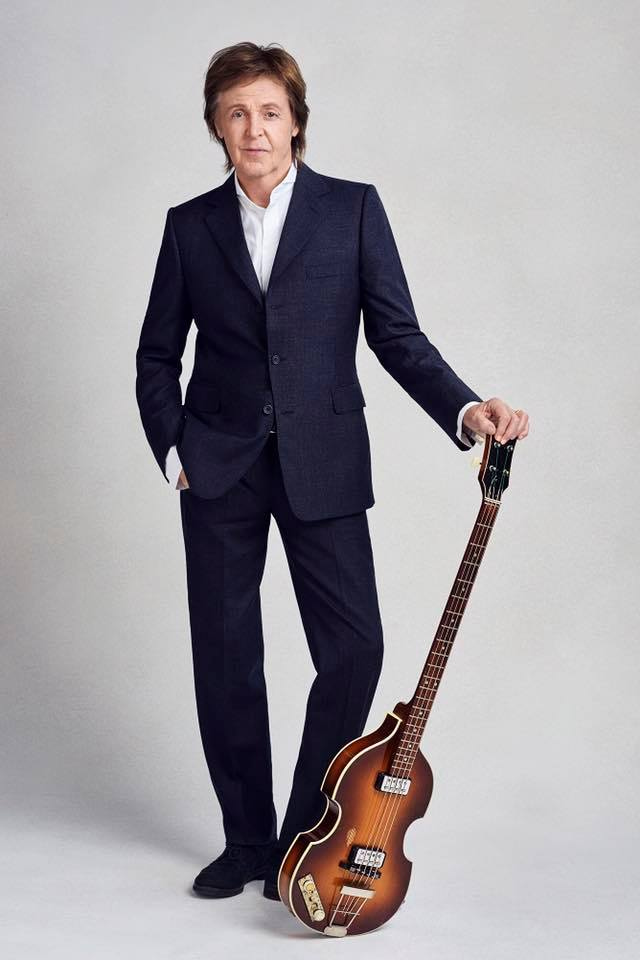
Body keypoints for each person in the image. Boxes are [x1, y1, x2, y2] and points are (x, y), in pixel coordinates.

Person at [135, 41, 530, 904]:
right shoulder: (189, 226)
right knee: (227, 659)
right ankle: (246, 842)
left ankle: (300, 836)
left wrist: (466, 409)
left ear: (296, 123)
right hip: (220, 469)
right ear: (217, 126)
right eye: (237, 113)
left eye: (269, 112)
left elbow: (397, 336)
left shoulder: (351, 210)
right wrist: (177, 454)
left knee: (355, 648)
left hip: (325, 463)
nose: (254, 128)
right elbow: (156, 354)